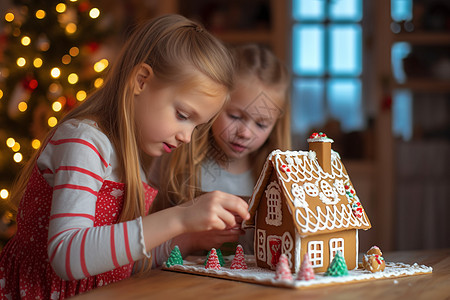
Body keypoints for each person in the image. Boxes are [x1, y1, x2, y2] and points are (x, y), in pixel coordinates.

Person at [0, 14, 250, 299]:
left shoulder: (135, 159)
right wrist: (181, 217)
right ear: (141, 81)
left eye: (197, 125)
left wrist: (189, 238)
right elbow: (67, 256)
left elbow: (117, 261)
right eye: (182, 115)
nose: (186, 136)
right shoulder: (83, 142)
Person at [151, 43, 291, 258]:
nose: (245, 133)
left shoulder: (277, 179)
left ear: (275, 128)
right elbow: (145, 241)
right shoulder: (174, 159)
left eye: (261, 124)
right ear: (213, 105)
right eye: (235, 116)